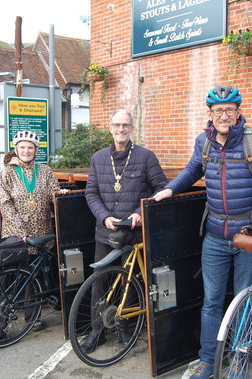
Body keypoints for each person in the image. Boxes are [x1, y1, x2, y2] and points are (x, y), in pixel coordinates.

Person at [154, 85, 252, 378]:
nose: (224, 115)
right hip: (215, 235)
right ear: (210, 114)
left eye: (230, 109)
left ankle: (241, 360)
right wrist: (168, 189)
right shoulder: (204, 142)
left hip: (248, 235)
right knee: (212, 301)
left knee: (245, 299)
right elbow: (192, 171)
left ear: (238, 112)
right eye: (218, 110)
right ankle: (208, 361)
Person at [82, 109, 168, 353]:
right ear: (110, 128)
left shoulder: (146, 157)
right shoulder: (98, 158)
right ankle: (97, 330)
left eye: (126, 126)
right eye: (117, 125)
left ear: (132, 129)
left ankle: (126, 327)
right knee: (98, 281)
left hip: (132, 232)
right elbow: (91, 193)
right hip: (105, 230)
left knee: (130, 282)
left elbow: (161, 188)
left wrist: (140, 213)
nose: (121, 129)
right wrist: (104, 216)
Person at [0, 130, 68, 338]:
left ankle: (32, 317)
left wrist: (60, 196)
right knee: (6, 280)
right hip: (16, 235)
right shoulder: (7, 172)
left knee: (32, 278)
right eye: (23, 147)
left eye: (30, 147)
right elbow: (5, 204)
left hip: (41, 232)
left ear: (36, 150)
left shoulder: (44, 170)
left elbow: (54, 194)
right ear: (16, 149)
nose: (26, 151)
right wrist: (21, 232)